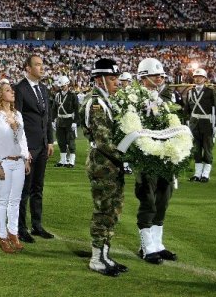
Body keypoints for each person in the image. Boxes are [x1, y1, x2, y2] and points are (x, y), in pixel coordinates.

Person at [80, 58, 127, 277]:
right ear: (99, 79)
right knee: (103, 209)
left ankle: (105, 255)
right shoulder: (95, 101)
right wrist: (127, 156)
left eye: (117, 78)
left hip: (111, 162)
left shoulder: (107, 99)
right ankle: (96, 259)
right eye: (112, 78)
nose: (116, 82)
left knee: (113, 209)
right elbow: (102, 139)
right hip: (103, 162)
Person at [135, 58, 178, 265]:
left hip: (167, 154)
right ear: (143, 77)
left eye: (161, 75)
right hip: (147, 154)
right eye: (155, 75)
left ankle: (157, 244)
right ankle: (146, 247)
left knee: (164, 197)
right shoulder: (134, 97)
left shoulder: (169, 95)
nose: (160, 78)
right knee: (148, 198)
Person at [0, 80, 30, 254]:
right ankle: (2, 236)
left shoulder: (17, 115)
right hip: (2, 162)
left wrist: (25, 157)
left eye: (12, 90)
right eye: (7, 90)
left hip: (18, 161)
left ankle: (13, 233)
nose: (12, 92)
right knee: (2, 200)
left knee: (15, 201)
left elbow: (22, 138)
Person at [14, 54, 54, 243]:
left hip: (42, 145)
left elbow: (47, 118)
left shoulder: (43, 89)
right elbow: (17, 121)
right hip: (28, 148)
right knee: (24, 189)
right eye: (37, 65)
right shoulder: (20, 89)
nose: (41, 68)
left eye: (42, 64)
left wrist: (50, 141)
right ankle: (21, 228)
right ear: (27, 68)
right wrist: (23, 149)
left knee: (38, 188)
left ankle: (37, 225)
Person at [185, 68, 216, 183]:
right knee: (196, 149)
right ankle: (197, 174)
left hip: (207, 123)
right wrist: (186, 122)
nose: (198, 78)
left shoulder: (211, 91)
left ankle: (205, 174)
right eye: (196, 76)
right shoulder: (190, 92)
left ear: (205, 79)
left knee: (207, 149)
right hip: (194, 124)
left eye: (200, 77)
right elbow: (187, 109)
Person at [52, 75, 79, 168]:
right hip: (60, 121)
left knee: (70, 141)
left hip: (69, 121)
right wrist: (53, 120)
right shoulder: (57, 95)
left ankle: (71, 161)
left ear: (67, 85)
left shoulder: (73, 96)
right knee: (61, 141)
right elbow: (54, 109)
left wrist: (75, 122)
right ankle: (63, 160)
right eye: (60, 86)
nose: (61, 88)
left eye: (63, 86)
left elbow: (76, 110)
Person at [118, 72, 133, 174]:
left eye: (125, 81)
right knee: (121, 143)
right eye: (122, 81)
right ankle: (123, 165)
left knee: (130, 144)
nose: (123, 83)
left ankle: (127, 165)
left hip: (131, 120)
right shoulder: (118, 92)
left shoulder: (133, 93)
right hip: (121, 120)